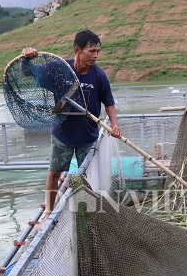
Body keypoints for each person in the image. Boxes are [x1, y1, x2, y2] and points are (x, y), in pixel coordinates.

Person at [21, 30, 122, 221]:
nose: (95, 56)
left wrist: (115, 124)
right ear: (78, 50)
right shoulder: (60, 69)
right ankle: (49, 213)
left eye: (98, 51)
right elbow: (28, 73)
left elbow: (109, 102)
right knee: (54, 173)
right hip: (63, 135)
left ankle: (91, 215)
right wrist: (26, 59)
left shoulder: (99, 76)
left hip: (87, 136)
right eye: (91, 51)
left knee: (88, 178)